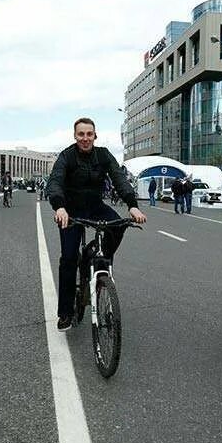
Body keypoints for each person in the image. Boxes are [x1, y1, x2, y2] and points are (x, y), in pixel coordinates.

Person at [46, 117, 147, 331]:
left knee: (118, 225)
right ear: (75, 136)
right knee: (69, 258)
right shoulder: (66, 156)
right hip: (70, 211)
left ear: (95, 135)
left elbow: (119, 178)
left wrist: (132, 205)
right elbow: (55, 181)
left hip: (95, 205)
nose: (85, 138)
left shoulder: (103, 155)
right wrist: (59, 207)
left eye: (89, 134)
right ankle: (65, 312)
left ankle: (95, 256)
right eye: (81, 134)